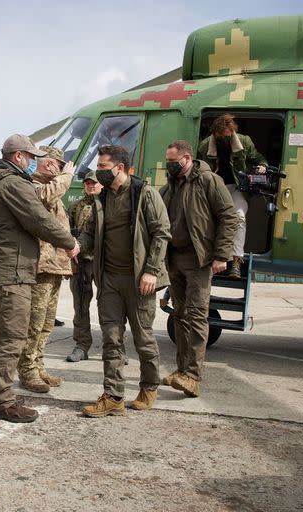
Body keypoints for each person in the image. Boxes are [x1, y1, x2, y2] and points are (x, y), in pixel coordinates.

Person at [0, 134, 79, 423]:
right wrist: (69, 242)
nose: (35, 162)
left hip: (2, 267)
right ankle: (2, 402)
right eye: (31, 157)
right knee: (11, 337)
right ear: (18, 156)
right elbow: (40, 219)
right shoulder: (13, 183)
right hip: (14, 269)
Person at [78, 145, 171, 417]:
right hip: (109, 280)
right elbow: (89, 234)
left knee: (143, 338)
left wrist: (151, 270)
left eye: (104, 167)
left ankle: (149, 386)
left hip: (139, 280)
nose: (99, 172)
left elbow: (161, 233)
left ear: (119, 167)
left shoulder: (145, 194)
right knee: (111, 338)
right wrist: (75, 246)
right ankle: (113, 397)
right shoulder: (101, 198)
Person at [160, 140, 237, 398]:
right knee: (179, 315)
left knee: (196, 317)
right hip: (175, 260)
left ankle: (193, 376)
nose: (169, 166)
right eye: (167, 162)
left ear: (187, 158)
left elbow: (228, 216)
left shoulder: (208, 181)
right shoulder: (169, 187)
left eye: (173, 161)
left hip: (199, 261)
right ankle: (181, 370)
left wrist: (222, 254)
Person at [18, 146, 76, 393]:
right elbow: (44, 197)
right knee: (34, 322)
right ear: (46, 163)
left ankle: (37, 365)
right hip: (40, 267)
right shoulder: (31, 186)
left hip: (55, 267)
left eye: (61, 166)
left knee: (46, 324)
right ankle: (27, 369)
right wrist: (65, 177)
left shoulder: (54, 190)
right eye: (56, 164)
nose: (58, 169)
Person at [197, 114, 267, 278]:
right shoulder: (205, 145)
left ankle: (236, 261)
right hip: (215, 187)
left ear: (232, 131)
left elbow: (257, 157)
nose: (224, 138)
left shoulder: (244, 141)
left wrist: (262, 165)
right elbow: (199, 167)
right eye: (220, 136)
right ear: (214, 133)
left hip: (237, 187)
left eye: (227, 135)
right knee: (209, 220)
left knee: (239, 218)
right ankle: (211, 260)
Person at [66, 171, 103, 362]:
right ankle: (81, 345)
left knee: (109, 306)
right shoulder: (75, 207)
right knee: (80, 306)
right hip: (81, 264)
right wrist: (70, 263)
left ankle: (115, 348)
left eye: (94, 183)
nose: (90, 186)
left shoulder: (108, 205)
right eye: (88, 183)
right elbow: (67, 236)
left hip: (104, 262)